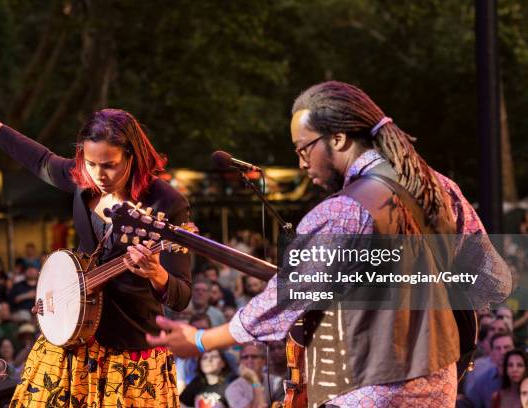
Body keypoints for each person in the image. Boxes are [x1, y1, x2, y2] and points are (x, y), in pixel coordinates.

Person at [146, 81, 512, 407]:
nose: (301, 162)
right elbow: (494, 281)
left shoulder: (344, 211)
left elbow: (283, 301)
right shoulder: (437, 187)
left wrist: (200, 340)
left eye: (304, 149)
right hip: (438, 388)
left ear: (338, 139)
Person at [0, 84, 192, 407]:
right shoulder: (81, 178)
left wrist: (156, 274)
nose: (99, 175)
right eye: (91, 163)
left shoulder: (166, 202)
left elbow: (181, 295)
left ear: (132, 156)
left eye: (110, 164)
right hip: (73, 336)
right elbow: (39, 159)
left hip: (129, 348)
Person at [466, 332, 515, 408]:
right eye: (498, 348)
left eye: (507, 347)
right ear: (492, 353)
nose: (503, 352)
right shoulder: (482, 382)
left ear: (514, 350)